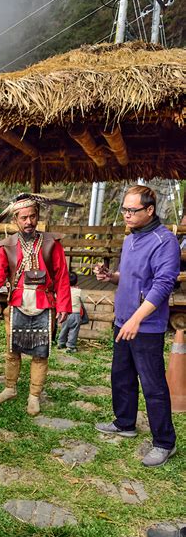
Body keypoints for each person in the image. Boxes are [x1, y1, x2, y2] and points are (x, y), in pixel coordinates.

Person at [0, 193, 71, 415]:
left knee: (40, 353)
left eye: (32, 217)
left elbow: (62, 277)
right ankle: (10, 388)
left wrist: (64, 306)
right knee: (12, 351)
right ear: (15, 220)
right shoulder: (7, 246)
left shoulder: (51, 244)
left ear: (37, 216)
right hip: (18, 303)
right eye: (23, 218)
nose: (29, 222)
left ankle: (34, 396)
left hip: (43, 302)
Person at [94, 185, 180, 467]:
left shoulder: (164, 241)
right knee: (121, 377)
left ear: (150, 210)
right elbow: (133, 277)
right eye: (125, 210)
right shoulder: (131, 238)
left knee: (153, 385)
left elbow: (163, 285)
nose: (126, 215)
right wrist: (112, 276)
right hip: (123, 322)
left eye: (133, 210)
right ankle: (125, 422)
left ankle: (165, 442)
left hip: (146, 326)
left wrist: (137, 319)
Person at [57, 272, 82, 352]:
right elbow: (84, 299)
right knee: (73, 330)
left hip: (65, 313)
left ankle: (61, 343)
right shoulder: (79, 291)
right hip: (75, 315)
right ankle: (70, 346)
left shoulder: (63, 291)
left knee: (64, 329)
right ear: (76, 281)